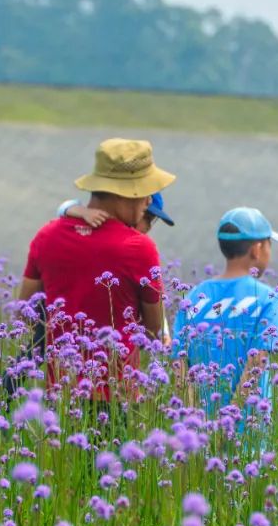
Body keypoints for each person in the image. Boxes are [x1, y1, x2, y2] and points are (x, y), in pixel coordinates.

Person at [17, 138, 175, 400]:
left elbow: (25, 311)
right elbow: (153, 330)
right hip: (115, 395)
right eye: (145, 192)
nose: (149, 201)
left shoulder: (46, 236)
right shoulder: (139, 248)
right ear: (128, 193)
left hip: (60, 392)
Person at [173, 207, 278, 418]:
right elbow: (256, 363)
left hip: (198, 431)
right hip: (248, 430)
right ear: (257, 248)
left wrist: (195, 420)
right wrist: (230, 421)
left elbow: (180, 365)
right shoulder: (268, 299)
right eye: (269, 245)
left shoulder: (192, 297)